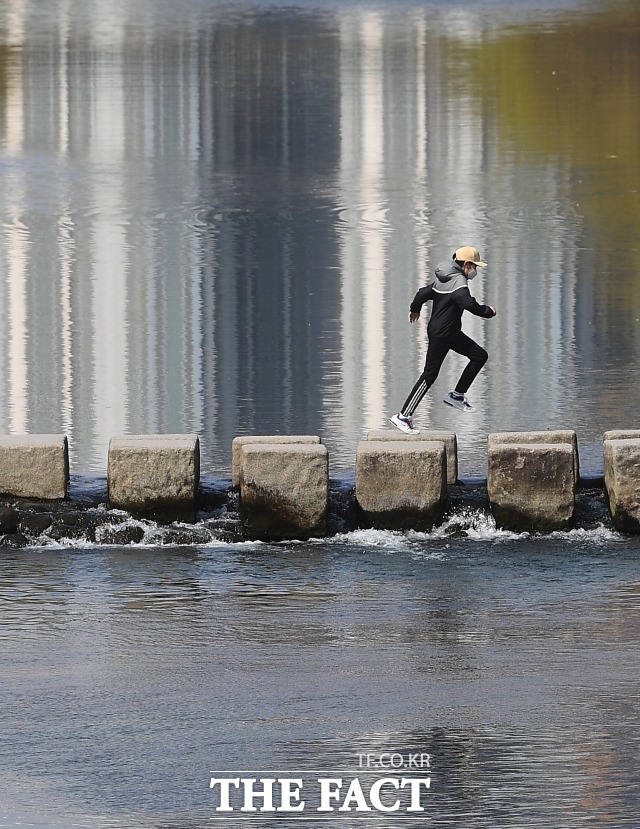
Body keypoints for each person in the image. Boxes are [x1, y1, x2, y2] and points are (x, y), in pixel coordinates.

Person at [390, 246, 496, 434]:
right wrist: (488, 311)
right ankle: (403, 416)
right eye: (475, 267)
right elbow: (467, 303)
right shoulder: (459, 282)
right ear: (467, 265)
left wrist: (415, 308)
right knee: (429, 375)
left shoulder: (444, 279)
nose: (475, 271)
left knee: (479, 356)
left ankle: (456, 395)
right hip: (442, 334)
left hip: (450, 332)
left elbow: (423, 293)